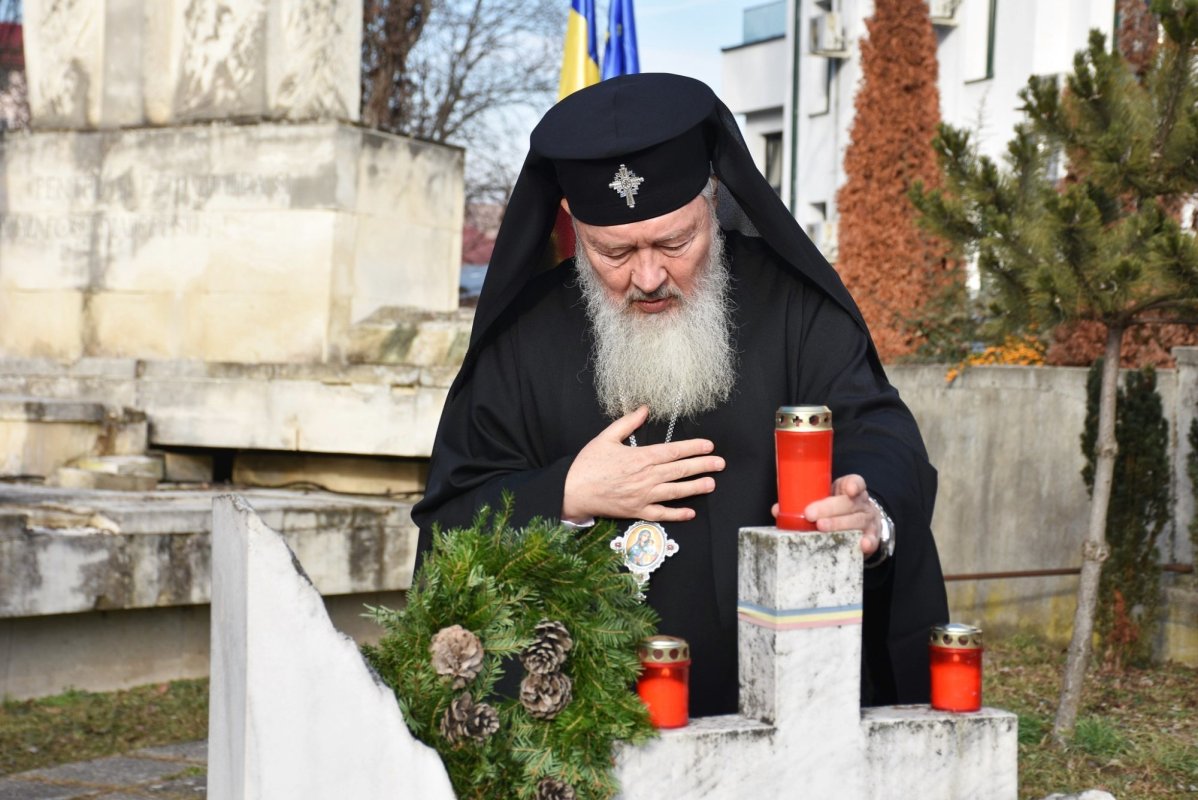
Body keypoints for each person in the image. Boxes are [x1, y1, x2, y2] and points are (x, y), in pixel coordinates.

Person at [412, 73, 948, 717]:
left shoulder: (791, 305)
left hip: (780, 705)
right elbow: (452, 516)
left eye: (675, 242)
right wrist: (565, 496)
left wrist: (870, 510)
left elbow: (878, 430)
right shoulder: (523, 337)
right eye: (613, 252)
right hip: (578, 727)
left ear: (713, 201)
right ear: (573, 229)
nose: (648, 276)